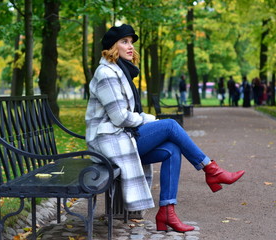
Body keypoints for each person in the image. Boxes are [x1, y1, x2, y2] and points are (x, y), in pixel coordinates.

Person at [85, 24, 245, 233]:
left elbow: (125, 115)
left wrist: (147, 119)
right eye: (124, 42)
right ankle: (211, 170)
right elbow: (120, 117)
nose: (130, 46)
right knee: (170, 125)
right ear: (112, 48)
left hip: (120, 136)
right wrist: (149, 121)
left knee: (172, 149)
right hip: (107, 142)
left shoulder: (120, 72)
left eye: (131, 42)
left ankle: (167, 212)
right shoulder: (106, 74)